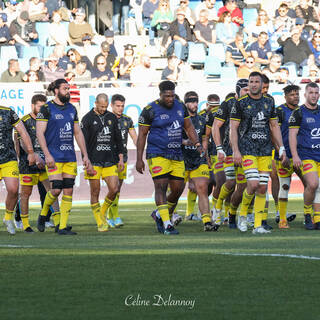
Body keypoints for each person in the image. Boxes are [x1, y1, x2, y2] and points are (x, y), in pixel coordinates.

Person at [136, 80, 204, 235]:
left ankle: (159, 214)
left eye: (172, 95)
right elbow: (142, 135)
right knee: (160, 187)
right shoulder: (149, 110)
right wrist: (139, 158)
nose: (170, 99)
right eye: (167, 96)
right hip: (157, 153)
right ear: (160, 95)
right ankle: (167, 224)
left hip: (176, 154)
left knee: (178, 189)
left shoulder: (180, 107)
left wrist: (198, 144)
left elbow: (189, 127)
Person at [230, 72, 287, 234]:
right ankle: (242, 215)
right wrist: (235, 150)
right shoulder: (240, 103)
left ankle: (257, 226)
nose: (253, 84)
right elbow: (233, 128)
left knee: (262, 188)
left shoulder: (269, 101)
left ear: (263, 85)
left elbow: (274, 126)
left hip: (265, 150)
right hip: (247, 149)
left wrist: (281, 148)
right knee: (253, 184)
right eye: (251, 81)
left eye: (256, 82)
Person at [36, 78, 92, 235]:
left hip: (69, 157)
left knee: (68, 190)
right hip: (53, 156)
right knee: (56, 190)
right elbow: (39, 133)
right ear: (56, 90)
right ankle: (43, 213)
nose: (68, 91)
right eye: (65, 88)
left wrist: (85, 155)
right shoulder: (46, 109)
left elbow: (77, 132)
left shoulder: (72, 109)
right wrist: (46, 155)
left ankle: (62, 226)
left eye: (69, 88)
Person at [81, 93, 124, 232]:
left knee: (114, 189)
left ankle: (102, 212)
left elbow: (118, 139)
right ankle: (100, 222)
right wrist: (86, 160)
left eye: (105, 107)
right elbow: (83, 143)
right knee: (95, 192)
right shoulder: (87, 119)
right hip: (94, 161)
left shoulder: (111, 117)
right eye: (101, 106)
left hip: (110, 160)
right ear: (95, 103)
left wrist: (121, 158)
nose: (103, 109)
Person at [17, 94, 60, 233]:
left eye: (44, 106)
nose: (42, 109)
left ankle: (59, 221)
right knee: (26, 193)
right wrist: (35, 157)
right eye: (39, 106)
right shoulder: (24, 121)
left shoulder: (48, 120)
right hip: (28, 163)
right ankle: (25, 224)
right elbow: (22, 143)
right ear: (33, 106)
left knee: (52, 190)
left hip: (46, 162)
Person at [212, 79, 250, 229]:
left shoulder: (254, 103)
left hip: (247, 150)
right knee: (231, 182)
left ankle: (233, 214)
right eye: (245, 90)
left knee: (243, 185)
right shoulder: (228, 104)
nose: (248, 92)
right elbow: (216, 126)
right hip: (229, 150)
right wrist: (219, 148)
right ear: (237, 92)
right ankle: (218, 208)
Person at [182, 91, 217, 231]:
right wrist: (184, 142)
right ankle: (166, 216)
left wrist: (205, 155)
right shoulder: (180, 119)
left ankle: (207, 221)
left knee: (202, 188)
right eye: (191, 101)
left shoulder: (203, 119)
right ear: (185, 103)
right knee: (175, 190)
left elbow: (205, 139)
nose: (194, 104)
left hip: (199, 159)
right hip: (181, 159)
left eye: (196, 101)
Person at [1, 103, 36, 235]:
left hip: (8, 158)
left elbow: (23, 131)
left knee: (13, 189)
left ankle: (8, 217)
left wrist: (31, 152)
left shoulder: (8, 112)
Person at [289, 81, 320, 230]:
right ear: (305, 95)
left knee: (319, 187)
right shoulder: (299, 113)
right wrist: (295, 156)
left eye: (316, 93)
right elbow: (292, 135)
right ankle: (307, 213)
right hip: (306, 155)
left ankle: (318, 218)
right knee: (313, 183)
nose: (314, 96)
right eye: (311, 93)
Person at [107, 94, 137, 227]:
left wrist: (141, 149)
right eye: (117, 106)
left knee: (117, 188)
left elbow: (134, 138)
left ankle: (111, 215)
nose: (120, 108)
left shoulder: (127, 120)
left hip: (122, 158)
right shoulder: (106, 118)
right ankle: (113, 215)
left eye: (122, 106)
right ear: (111, 105)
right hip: (108, 158)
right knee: (113, 188)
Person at [275, 85, 303, 228]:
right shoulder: (279, 111)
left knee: (312, 185)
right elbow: (275, 133)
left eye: (297, 94)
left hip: (303, 156)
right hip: (285, 156)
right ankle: (282, 220)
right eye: (292, 94)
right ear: (285, 96)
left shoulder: (303, 111)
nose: (295, 97)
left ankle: (310, 217)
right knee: (284, 186)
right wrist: (280, 153)